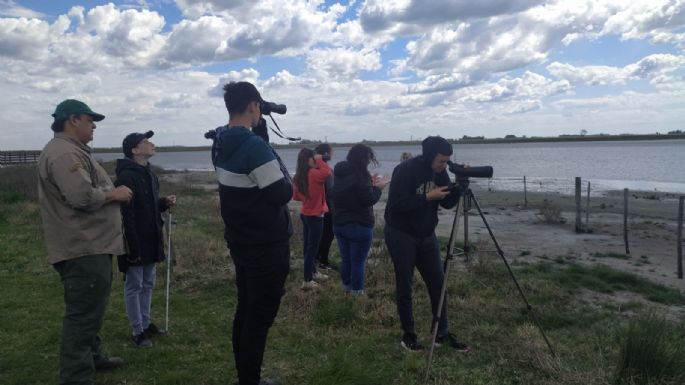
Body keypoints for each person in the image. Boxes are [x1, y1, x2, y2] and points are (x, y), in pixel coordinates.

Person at [38, 99, 132, 384]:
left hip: (90, 245)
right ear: (73, 119)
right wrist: (114, 194)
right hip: (83, 247)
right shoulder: (65, 154)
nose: (94, 127)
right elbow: (81, 196)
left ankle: (92, 356)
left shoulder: (71, 150)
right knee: (82, 315)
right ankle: (77, 376)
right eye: (91, 121)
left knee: (91, 307)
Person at [210, 81, 292, 385]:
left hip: (241, 240)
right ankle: (250, 381)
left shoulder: (220, 140)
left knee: (246, 311)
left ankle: (246, 378)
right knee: (259, 318)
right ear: (254, 105)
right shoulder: (253, 146)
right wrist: (265, 145)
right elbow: (282, 192)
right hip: (266, 244)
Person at [384, 136, 470, 352]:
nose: (444, 165)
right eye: (441, 161)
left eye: (446, 161)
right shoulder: (404, 170)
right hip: (401, 233)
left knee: (438, 284)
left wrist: (459, 184)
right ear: (430, 156)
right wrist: (426, 198)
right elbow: (395, 206)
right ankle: (409, 336)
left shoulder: (440, 172)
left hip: (426, 234)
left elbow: (448, 202)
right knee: (405, 284)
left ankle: (441, 332)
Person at [114, 130, 176, 348]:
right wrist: (131, 247)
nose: (152, 144)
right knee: (135, 285)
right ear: (134, 150)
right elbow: (125, 215)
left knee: (148, 283)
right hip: (134, 240)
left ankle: (146, 323)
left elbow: (147, 206)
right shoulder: (126, 176)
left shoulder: (149, 174)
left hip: (151, 237)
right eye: (146, 142)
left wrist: (163, 202)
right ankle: (137, 330)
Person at [331, 144, 386, 295]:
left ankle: (346, 288)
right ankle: (356, 294)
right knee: (358, 262)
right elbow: (368, 199)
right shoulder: (361, 174)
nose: (369, 162)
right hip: (359, 225)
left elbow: (351, 191)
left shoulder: (340, 172)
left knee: (346, 258)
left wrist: (370, 184)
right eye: (368, 159)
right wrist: (379, 188)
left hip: (339, 223)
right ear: (363, 159)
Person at [292, 147, 332, 290]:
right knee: (312, 249)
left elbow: (295, 196)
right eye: (313, 158)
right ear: (308, 159)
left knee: (308, 247)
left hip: (306, 214)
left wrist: (307, 198)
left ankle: (313, 272)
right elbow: (327, 172)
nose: (315, 160)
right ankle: (307, 280)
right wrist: (320, 159)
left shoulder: (297, 176)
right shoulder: (314, 174)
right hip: (316, 216)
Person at [314, 143, 336, 271]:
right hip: (327, 207)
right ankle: (323, 260)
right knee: (328, 235)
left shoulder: (311, 169)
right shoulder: (326, 170)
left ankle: (317, 259)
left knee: (318, 235)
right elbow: (331, 191)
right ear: (326, 154)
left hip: (316, 206)